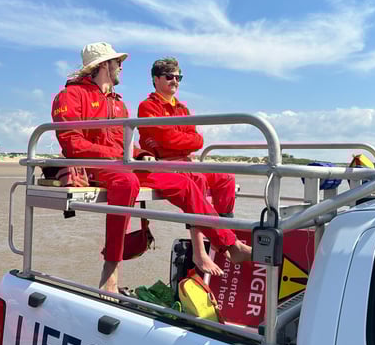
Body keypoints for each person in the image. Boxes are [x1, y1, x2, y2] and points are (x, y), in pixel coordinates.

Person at [52, 42, 251, 296]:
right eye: (118, 63)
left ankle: (229, 244)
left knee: (184, 183)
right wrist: (121, 155)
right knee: (127, 183)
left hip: (124, 163)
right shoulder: (70, 96)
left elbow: (127, 145)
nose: (121, 68)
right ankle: (111, 268)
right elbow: (72, 142)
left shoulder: (118, 103)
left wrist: (141, 155)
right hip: (93, 165)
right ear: (104, 65)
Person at [138, 57, 238, 271]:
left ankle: (224, 235)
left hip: (185, 161)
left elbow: (197, 140)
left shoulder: (183, 109)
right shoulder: (147, 107)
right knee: (198, 179)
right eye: (169, 77)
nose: (175, 81)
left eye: (178, 77)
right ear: (156, 79)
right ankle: (199, 252)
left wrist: (179, 141)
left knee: (226, 178)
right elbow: (166, 140)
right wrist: (181, 141)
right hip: (164, 164)